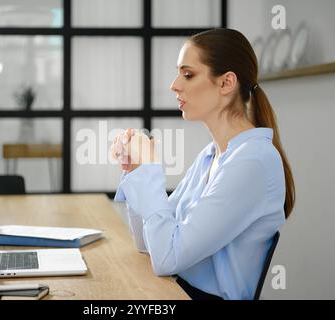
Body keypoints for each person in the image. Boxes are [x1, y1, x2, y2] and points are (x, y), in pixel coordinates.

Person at [111, 28, 295, 300]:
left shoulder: (253, 162)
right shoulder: (213, 155)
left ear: (226, 83)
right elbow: (150, 245)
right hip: (179, 291)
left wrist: (150, 169)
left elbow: (167, 259)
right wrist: (137, 170)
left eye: (188, 74)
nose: (174, 84)